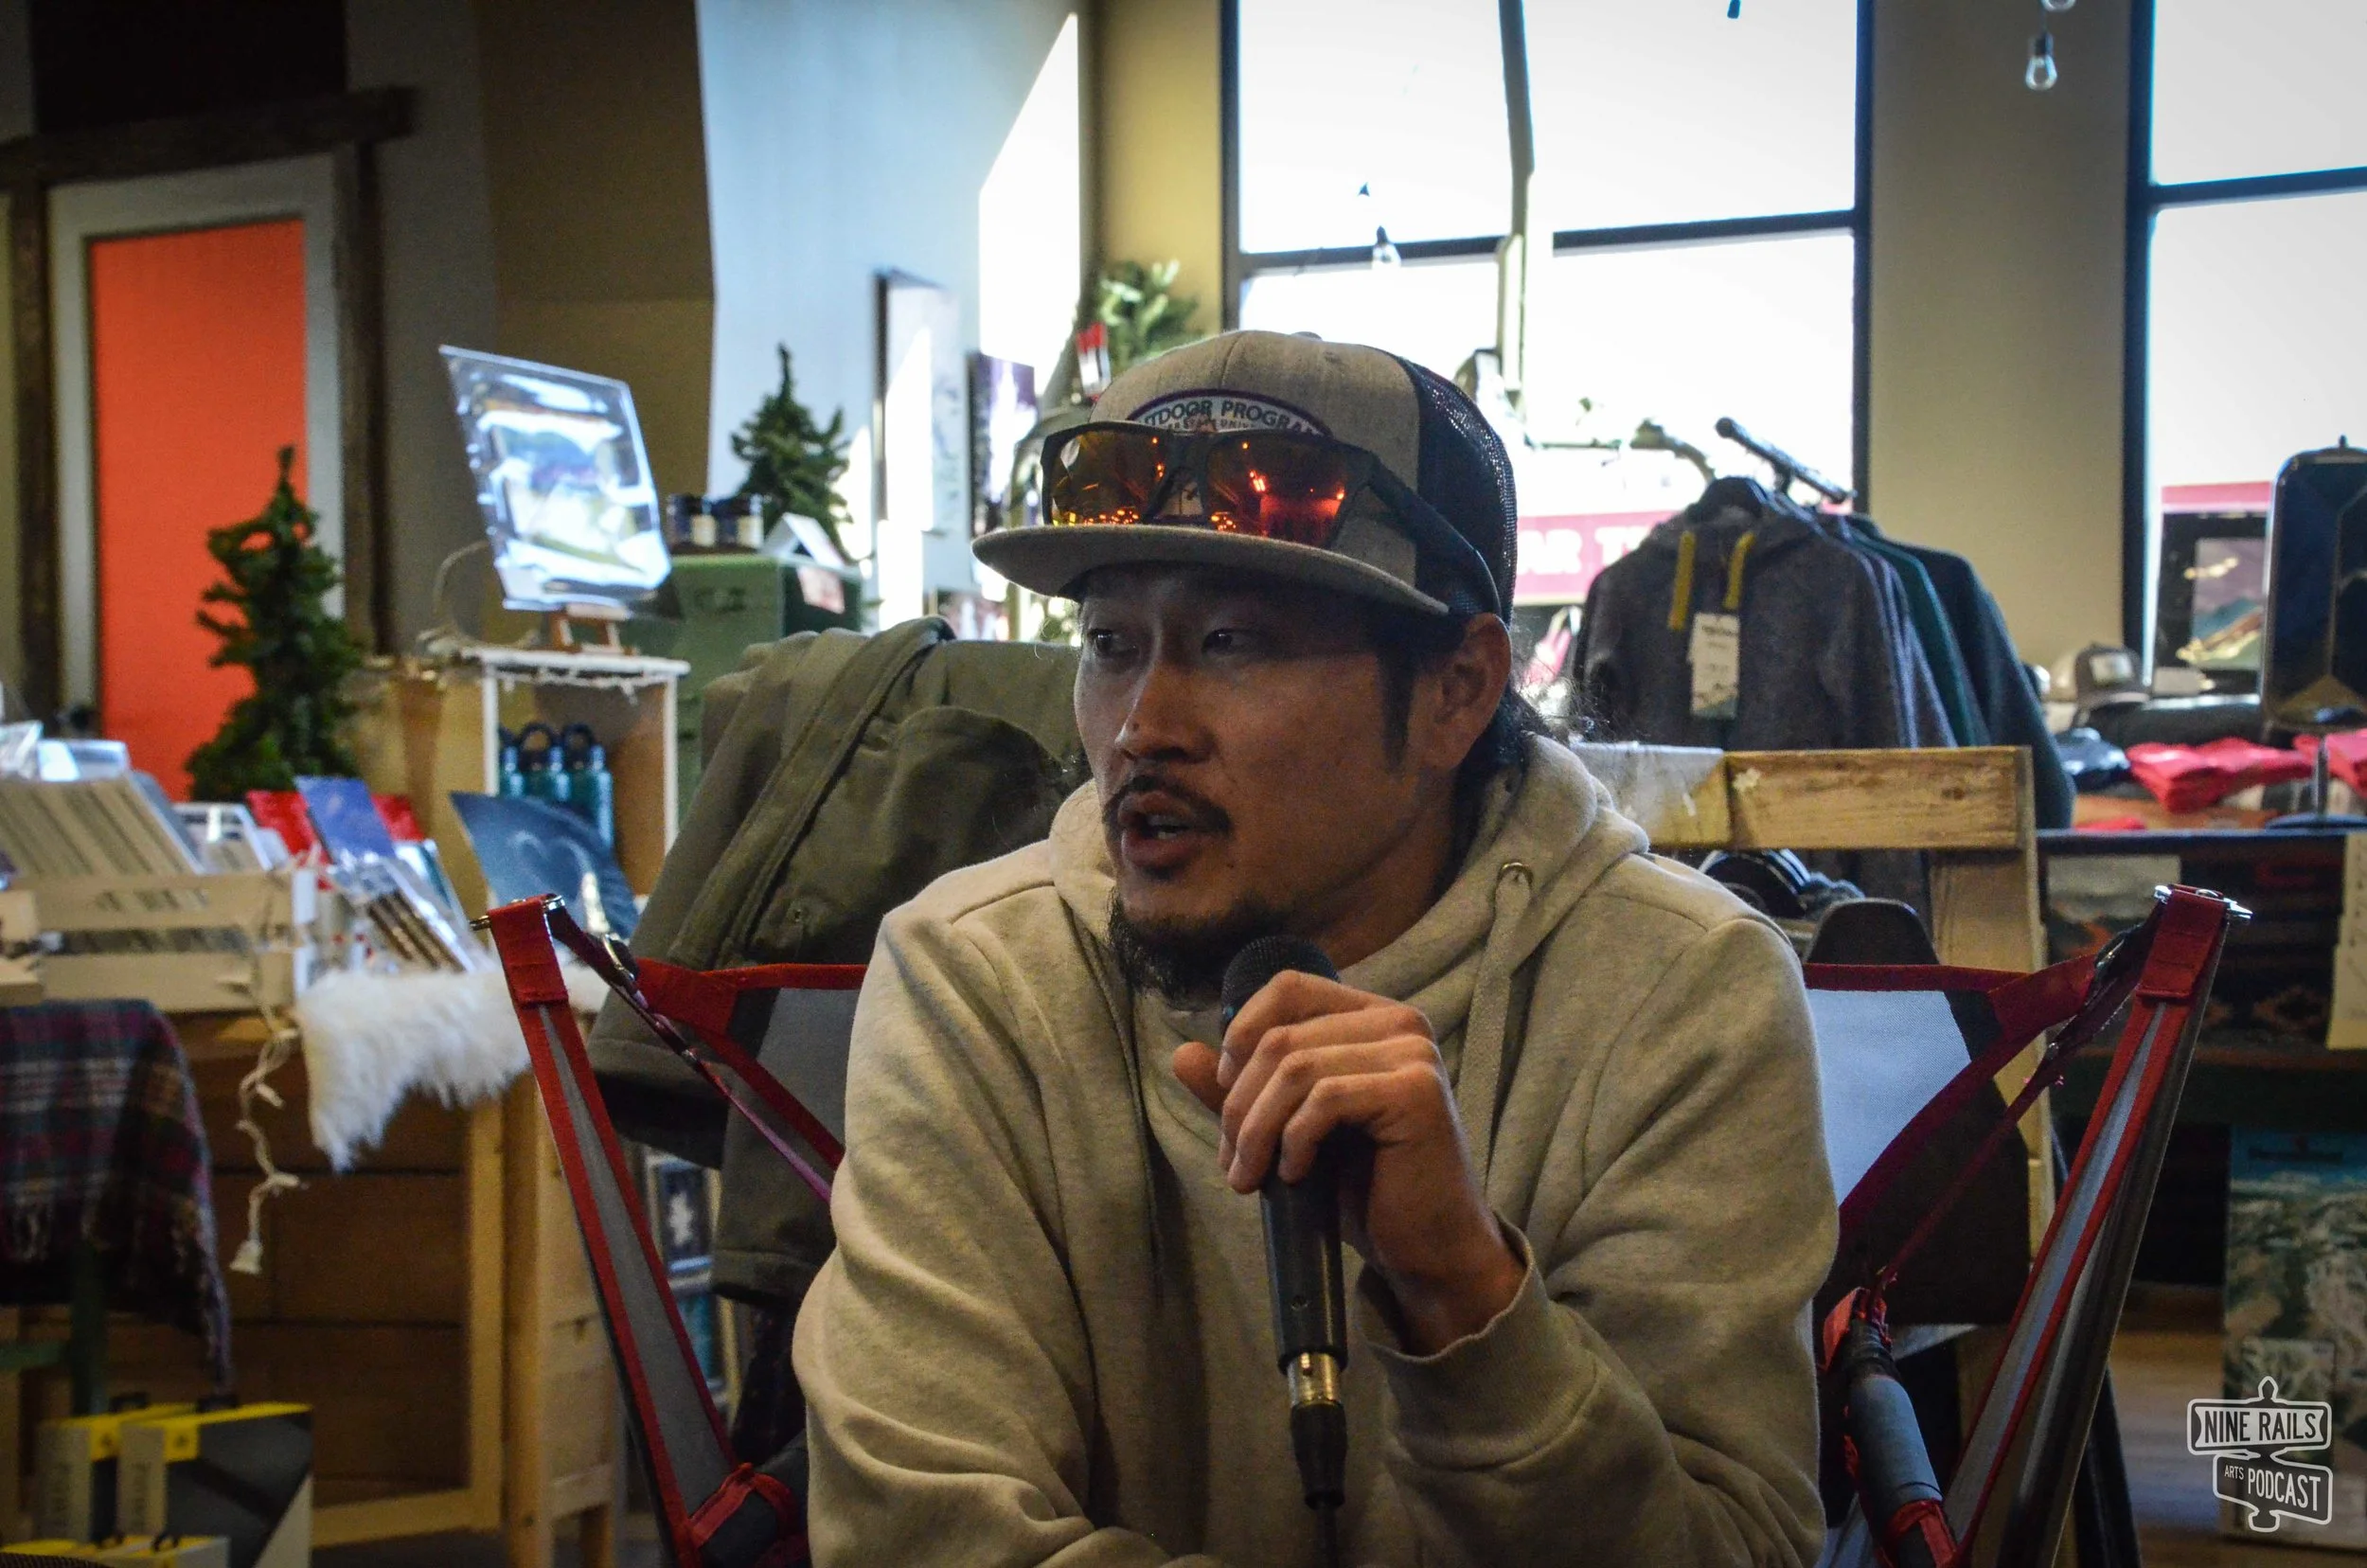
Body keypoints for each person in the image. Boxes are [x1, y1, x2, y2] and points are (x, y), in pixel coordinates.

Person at [792, 330, 1837, 1566]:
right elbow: (922, 1534)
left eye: (1233, 642)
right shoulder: (974, 980)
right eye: (1112, 644)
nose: (1141, 729)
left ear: (1456, 690)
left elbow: (1733, 1547)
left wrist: (1464, 1291)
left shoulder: (1681, 994)